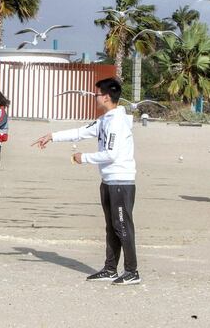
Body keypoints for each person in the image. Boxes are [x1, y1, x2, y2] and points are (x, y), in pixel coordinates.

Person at [32, 78, 141, 286]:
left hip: (121, 181)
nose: (95, 97)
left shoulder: (117, 122)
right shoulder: (104, 119)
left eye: (97, 94)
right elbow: (81, 132)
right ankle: (110, 268)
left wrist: (84, 158)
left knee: (122, 225)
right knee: (111, 226)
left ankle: (132, 271)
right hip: (108, 180)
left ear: (107, 96)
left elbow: (111, 154)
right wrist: (52, 136)